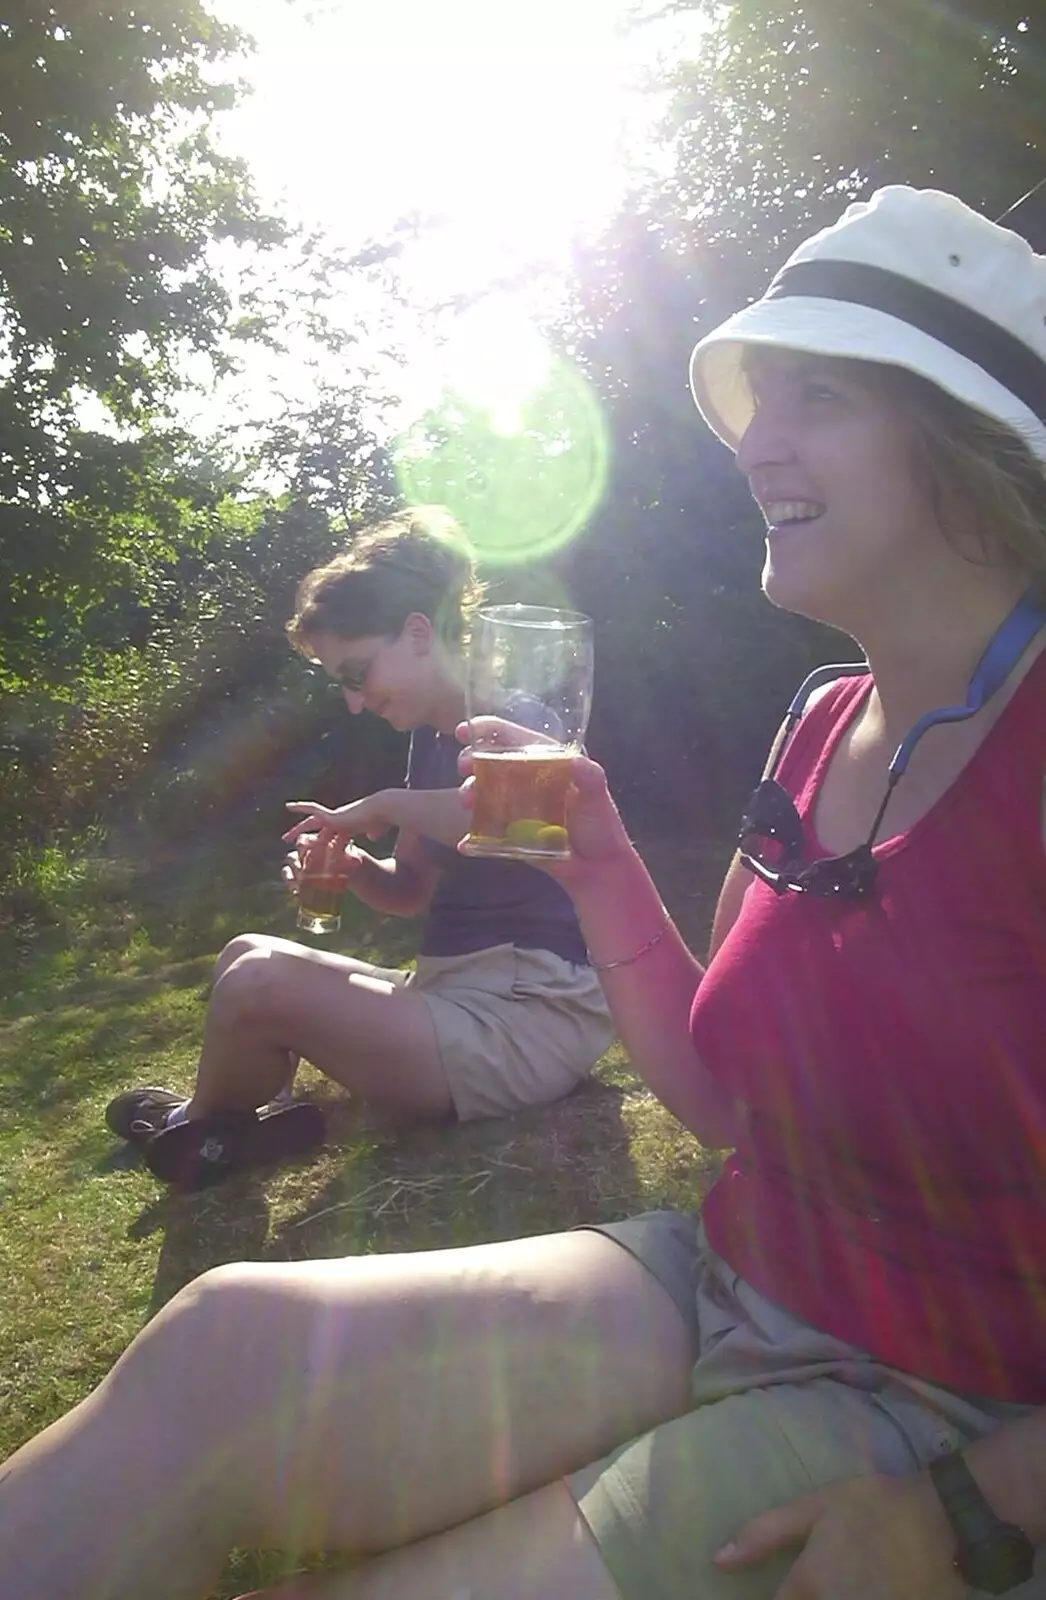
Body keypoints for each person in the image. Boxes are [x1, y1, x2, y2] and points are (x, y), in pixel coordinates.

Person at [5, 184, 1046, 1600]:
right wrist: (599, 860)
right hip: (732, 1268)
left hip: (949, 1400)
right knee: (218, 1348)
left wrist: (969, 1515)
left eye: (817, 396)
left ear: (973, 447)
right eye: (755, 402)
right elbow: (727, 1101)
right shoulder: (820, 719)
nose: (755, 442)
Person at [104, 508, 614, 1189]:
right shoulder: (431, 740)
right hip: (457, 992)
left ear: (417, 632)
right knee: (246, 954)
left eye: (356, 672)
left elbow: (528, 829)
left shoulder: (513, 718)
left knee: (260, 982)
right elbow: (409, 891)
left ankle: (192, 1124)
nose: (353, 701)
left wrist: (384, 804)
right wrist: (353, 868)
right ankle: (237, 1126)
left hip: (526, 1019)